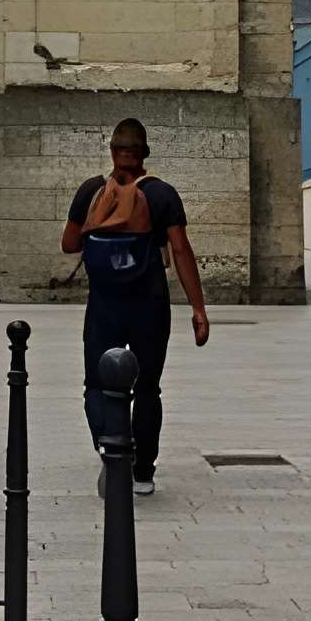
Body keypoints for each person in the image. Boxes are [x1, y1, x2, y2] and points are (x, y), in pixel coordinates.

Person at [60, 118, 209, 495]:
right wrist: (198, 309)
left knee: (97, 383)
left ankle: (112, 451)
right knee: (147, 388)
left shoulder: (91, 191)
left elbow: (69, 244)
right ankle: (142, 471)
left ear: (112, 152)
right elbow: (180, 249)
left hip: (104, 306)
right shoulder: (161, 194)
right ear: (144, 154)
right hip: (149, 304)